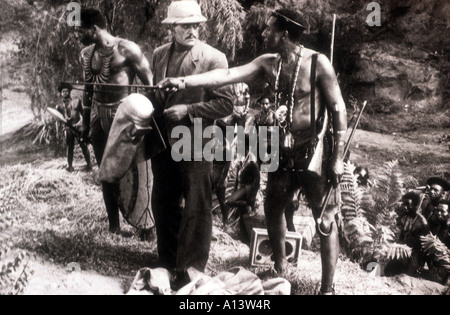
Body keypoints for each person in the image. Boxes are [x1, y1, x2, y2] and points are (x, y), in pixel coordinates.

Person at [158, 8, 348, 295]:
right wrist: (183, 82)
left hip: (312, 148)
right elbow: (227, 75)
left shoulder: (317, 63)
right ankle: (280, 269)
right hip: (279, 145)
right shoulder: (268, 63)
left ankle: (327, 288)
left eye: (269, 29)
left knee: (324, 218)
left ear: (284, 33)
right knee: (272, 207)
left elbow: (338, 109)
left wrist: (337, 159)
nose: (263, 33)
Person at [149, 1, 234, 289]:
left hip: (198, 140)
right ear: (172, 28)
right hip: (164, 141)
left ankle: (191, 270)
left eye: (196, 25)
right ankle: (168, 261)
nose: (192, 30)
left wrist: (189, 110)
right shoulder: (159, 55)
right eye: (185, 25)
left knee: (196, 206)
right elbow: (155, 96)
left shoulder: (214, 58)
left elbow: (225, 104)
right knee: (162, 201)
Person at [74, 8, 153, 234]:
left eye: (80, 31)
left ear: (94, 29)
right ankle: (114, 227)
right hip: (100, 115)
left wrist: (145, 119)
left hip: (126, 116)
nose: (77, 36)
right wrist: (86, 122)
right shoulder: (87, 54)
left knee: (136, 170)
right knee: (105, 172)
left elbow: (150, 84)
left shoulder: (127, 49)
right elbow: (88, 90)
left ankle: (145, 226)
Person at [56, 83, 92, 172]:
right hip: (68, 128)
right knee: (69, 147)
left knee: (83, 145)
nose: (65, 93)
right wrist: (59, 130)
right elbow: (58, 119)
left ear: (69, 92)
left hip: (78, 127)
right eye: (63, 92)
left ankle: (89, 164)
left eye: (66, 91)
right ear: (61, 93)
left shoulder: (77, 101)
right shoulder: (59, 106)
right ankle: (70, 166)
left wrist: (84, 125)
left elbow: (84, 114)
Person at [396, 192, 430, 276]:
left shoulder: (422, 222)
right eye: (404, 204)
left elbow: (426, 245)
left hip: (415, 256)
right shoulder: (403, 217)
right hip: (402, 251)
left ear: (415, 206)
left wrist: (421, 263)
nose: (404, 206)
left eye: (408, 204)